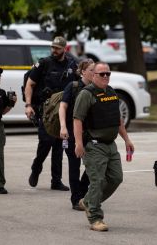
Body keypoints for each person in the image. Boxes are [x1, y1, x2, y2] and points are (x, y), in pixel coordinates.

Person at [74, 62, 134, 232]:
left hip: (111, 145)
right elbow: (77, 119)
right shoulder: (86, 94)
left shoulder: (112, 92)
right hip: (94, 145)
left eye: (108, 73)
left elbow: (118, 120)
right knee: (98, 181)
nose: (106, 76)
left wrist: (127, 139)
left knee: (116, 178)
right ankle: (95, 217)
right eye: (102, 74)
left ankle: (88, 202)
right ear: (93, 76)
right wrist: (78, 143)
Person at [24, 36, 78, 191]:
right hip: (47, 109)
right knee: (46, 142)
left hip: (64, 109)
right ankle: (36, 167)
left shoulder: (71, 64)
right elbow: (30, 84)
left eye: (57, 48)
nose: (54, 50)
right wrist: (28, 105)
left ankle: (56, 180)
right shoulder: (44, 63)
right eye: (53, 47)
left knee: (60, 144)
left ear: (64, 49)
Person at [59, 59, 94, 211]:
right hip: (72, 133)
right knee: (74, 166)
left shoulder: (95, 88)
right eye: (92, 70)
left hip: (90, 133)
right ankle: (76, 199)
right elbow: (63, 107)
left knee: (93, 164)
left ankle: (82, 191)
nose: (95, 73)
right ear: (83, 71)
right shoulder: (73, 86)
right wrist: (63, 127)